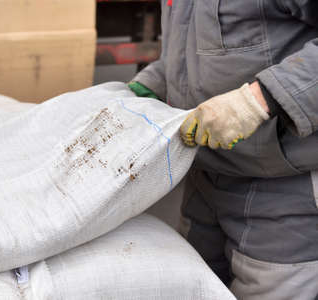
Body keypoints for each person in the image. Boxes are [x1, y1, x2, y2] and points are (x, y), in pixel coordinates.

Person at [128, 1, 318, 299]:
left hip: (282, 193)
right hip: (204, 181)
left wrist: (257, 101)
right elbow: (190, 49)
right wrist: (153, 84)